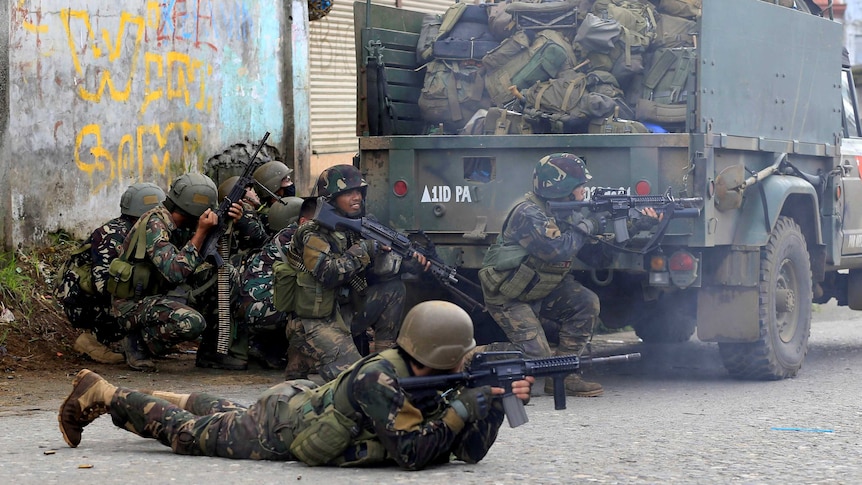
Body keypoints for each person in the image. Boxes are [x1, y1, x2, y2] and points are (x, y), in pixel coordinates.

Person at [58, 300, 534, 470]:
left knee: (221, 412)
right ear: (442, 357)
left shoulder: (422, 375)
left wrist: (490, 406)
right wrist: (465, 408)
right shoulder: (380, 378)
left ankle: (145, 395)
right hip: (277, 431)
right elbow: (413, 454)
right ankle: (103, 394)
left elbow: (466, 453)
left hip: (292, 406)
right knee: (189, 433)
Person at [478, 153, 660, 397]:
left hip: (542, 288)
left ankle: (564, 376)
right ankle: (472, 355)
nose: (584, 191)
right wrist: (590, 224)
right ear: (560, 187)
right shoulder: (527, 213)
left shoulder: (568, 215)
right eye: (579, 186)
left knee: (586, 303)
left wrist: (636, 226)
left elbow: (598, 257)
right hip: (510, 296)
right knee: (538, 358)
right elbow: (556, 250)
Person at [285, 164, 429, 381]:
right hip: (314, 320)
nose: (357, 198)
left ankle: (384, 360)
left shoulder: (359, 226)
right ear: (331, 198)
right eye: (348, 193)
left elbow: (373, 273)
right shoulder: (313, 232)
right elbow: (328, 274)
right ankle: (302, 352)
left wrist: (411, 263)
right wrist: (366, 249)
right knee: (355, 382)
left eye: (359, 192)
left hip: (344, 311)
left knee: (393, 289)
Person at [109, 173, 250, 372]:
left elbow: (216, 257)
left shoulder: (184, 223)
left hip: (167, 293)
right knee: (190, 323)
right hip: (134, 304)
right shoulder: (154, 224)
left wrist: (228, 225)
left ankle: (210, 352)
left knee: (228, 277)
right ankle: (137, 342)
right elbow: (175, 272)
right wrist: (201, 233)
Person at [56, 182, 165, 364]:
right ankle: (92, 341)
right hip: (82, 302)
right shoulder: (111, 235)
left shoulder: (140, 231)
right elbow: (103, 286)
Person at [233, 196, 311, 369]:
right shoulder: (294, 238)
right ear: (303, 221)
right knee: (311, 302)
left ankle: (269, 349)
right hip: (258, 307)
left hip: (261, 302)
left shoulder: (292, 233)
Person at [252, 160, 296, 233]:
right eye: (287, 180)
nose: (291, 184)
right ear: (274, 188)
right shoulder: (269, 217)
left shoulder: (287, 208)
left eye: (290, 179)